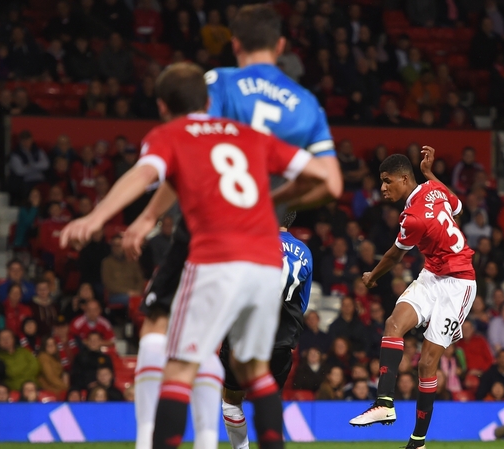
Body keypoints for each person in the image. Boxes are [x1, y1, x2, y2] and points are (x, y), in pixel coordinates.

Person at [60, 62, 339, 449]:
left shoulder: (174, 134)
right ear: (209, 100)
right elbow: (326, 179)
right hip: (261, 261)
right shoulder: (247, 135)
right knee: (254, 373)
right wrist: (274, 201)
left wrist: (97, 217)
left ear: (161, 106)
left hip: (217, 254)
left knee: (177, 363)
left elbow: (143, 174)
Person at [347, 146, 475, 449]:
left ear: (405, 179)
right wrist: (430, 174)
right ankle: (384, 402)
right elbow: (456, 207)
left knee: (427, 363)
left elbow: (393, 257)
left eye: (387, 181)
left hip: (458, 284)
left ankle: (418, 441)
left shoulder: (412, 217)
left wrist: (371, 277)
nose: (382, 188)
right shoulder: (433, 187)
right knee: (393, 324)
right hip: (432, 275)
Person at [219, 211, 314, 449]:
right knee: (268, 402)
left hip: (245, 334)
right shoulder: (305, 252)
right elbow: (302, 303)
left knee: (231, 400)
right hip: (282, 341)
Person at [101, 234, 144, 306]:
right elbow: (108, 283)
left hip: (134, 294)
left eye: (119, 245)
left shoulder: (132, 261)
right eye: (114, 245)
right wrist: (128, 292)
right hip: (116, 295)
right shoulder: (107, 263)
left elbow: (140, 279)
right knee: (133, 301)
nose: (117, 248)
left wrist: (137, 291)